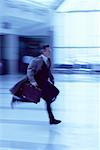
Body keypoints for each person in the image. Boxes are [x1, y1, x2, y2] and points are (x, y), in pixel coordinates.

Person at [10, 45, 61, 125]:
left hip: (44, 83)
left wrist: (51, 77)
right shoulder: (37, 60)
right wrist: (33, 81)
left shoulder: (48, 60)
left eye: (50, 51)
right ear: (43, 51)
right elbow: (30, 70)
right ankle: (51, 119)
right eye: (48, 51)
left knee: (55, 92)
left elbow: (47, 71)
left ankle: (17, 100)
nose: (49, 52)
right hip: (38, 83)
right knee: (37, 99)